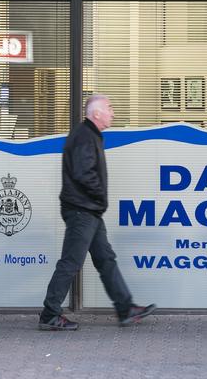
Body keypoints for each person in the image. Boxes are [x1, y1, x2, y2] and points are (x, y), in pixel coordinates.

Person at [39, 94, 156, 331]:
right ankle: (50, 314)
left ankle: (125, 308)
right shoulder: (84, 136)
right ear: (97, 113)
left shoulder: (89, 135)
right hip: (83, 210)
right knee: (71, 262)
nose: (113, 113)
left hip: (89, 210)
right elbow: (84, 174)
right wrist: (100, 197)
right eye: (110, 108)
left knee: (105, 259)